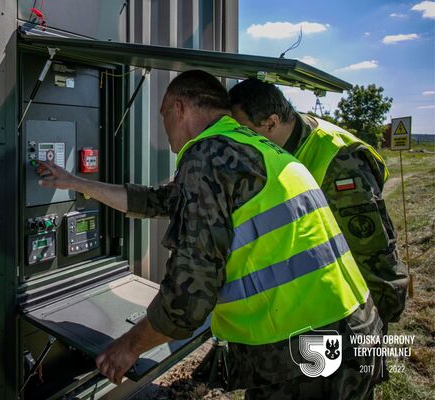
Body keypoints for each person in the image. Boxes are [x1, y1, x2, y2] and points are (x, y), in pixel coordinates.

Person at [36, 70, 383, 399]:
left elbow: (189, 297)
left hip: (305, 351)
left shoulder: (207, 156)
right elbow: (159, 200)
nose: (164, 127)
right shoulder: (248, 147)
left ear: (179, 107)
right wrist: (75, 183)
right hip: (355, 328)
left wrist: (128, 347)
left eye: (163, 116)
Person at [228, 78, 408, 329]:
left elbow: (370, 249)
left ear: (271, 123)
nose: (236, 142)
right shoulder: (283, 137)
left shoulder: (339, 162)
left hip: (355, 309)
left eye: (243, 131)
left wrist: (377, 321)